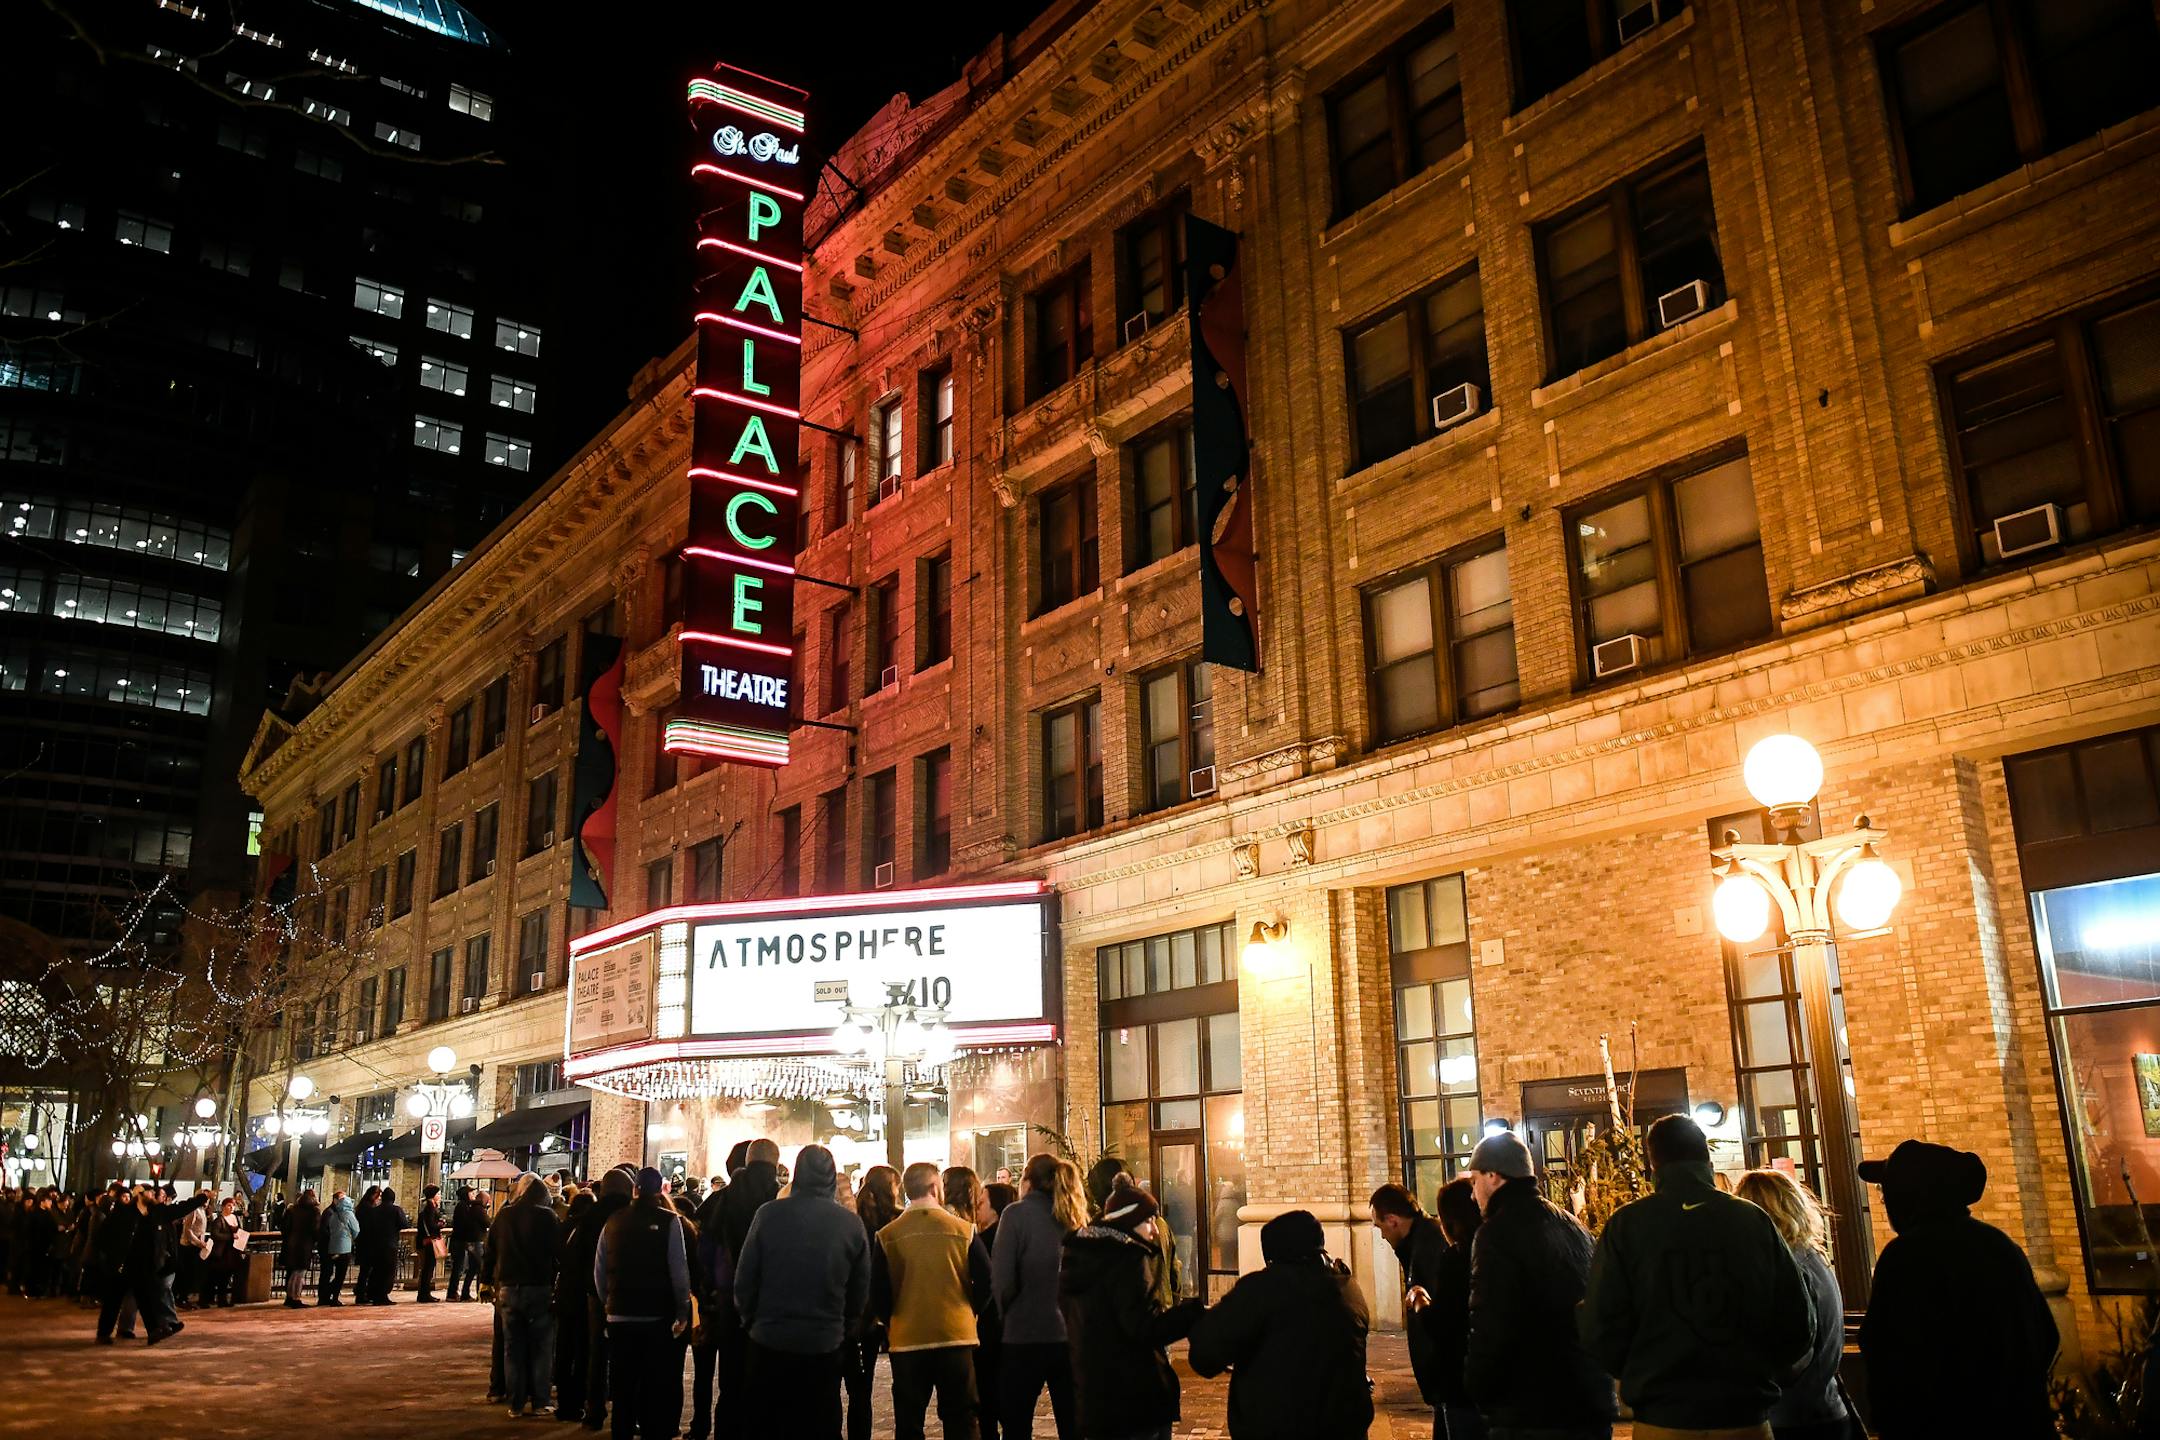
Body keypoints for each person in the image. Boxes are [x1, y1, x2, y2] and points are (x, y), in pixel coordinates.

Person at [1580, 1116, 1812, 1440]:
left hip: (1662, 1420)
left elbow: (1599, 1327)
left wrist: (1641, 1371)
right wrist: (1759, 1370)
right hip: (1744, 1418)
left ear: (1653, 1164)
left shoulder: (1627, 1226)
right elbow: (1798, 1321)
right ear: (1707, 1157)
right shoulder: (1753, 1221)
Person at [1856, 1139, 2058, 1440]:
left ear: (1911, 1196)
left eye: (1888, 1195)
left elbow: (1887, 1350)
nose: (1885, 1204)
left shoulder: (1906, 1256)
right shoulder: (2001, 1246)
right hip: (2021, 1423)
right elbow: (2047, 1336)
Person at [1459, 1130, 1614, 1440]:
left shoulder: (1496, 1233)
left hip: (1532, 1409)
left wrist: (1477, 1387)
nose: (1473, 1195)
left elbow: (1490, 1321)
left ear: (1493, 1176)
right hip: (1588, 1401)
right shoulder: (1572, 1224)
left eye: (1474, 1181)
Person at [1188, 1208, 1373, 1440]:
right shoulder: (1348, 1288)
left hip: (1279, 1426)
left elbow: (1205, 1354)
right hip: (1345, 1427)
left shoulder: (1261, 1290)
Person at [736, 1144, 871, 1436]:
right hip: (823, 1341)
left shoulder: (768, 1215)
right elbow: (860, 1289)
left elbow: (745, 1278)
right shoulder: (850, 1224)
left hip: (770, 1338)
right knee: (819, 1422)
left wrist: (751, 1321)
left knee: (767, 1423)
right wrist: (844, 1326)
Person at [1059, 1176, 1203, 1440]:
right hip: (1132, 1396)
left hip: (1096, 1396)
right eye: (1148, 1221)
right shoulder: (1127, 1259)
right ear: (1129, 1220)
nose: (1155, 1230)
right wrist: (1191, 1315)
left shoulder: (1080, 1256)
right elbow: (1143, 1327)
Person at [1731, 1170, 1852, 1440]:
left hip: (1791, 1420)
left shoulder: (1785, 1270)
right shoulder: (1812, 1258)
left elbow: (1792, 1357)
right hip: (1826, 1410)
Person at [876, 1162, 988, 1440]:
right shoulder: (964, 1230)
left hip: (907, 1337)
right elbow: (987, 1281)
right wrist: (972, 1310)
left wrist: (889, 1321)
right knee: (961, 1417)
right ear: (935, 1187)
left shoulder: (888, 1235)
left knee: (909, 1419)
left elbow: (877, 1289)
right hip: (956, 1335)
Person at [596, 1166, 693, 1440]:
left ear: (635, 1189)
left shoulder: (613, 1220)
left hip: (619, 1316)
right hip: (655, 1316)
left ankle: (622, 1433)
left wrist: (609, 1302)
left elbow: (599, 1269)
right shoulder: (670, 1221)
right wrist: (682, 1309)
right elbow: (678, 1270)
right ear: (660, 1189)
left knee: (623, 1389)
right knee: (653, 1386)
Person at [994, 1154, 1086, 1440]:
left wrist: (1005, 1315)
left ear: (1027, 1182)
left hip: (1024, 1333)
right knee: (1072, 1423)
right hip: (1068, 1335)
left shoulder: (1015, 1215)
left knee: (1017, 1422)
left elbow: (1002, 1280)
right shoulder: (1074, 1216)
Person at [1370, 1182, 1453, 1440]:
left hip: (1447, 1378)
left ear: (1393, 1220)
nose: (1382, 1235)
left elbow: (1442, 1316)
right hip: (1442, 1380)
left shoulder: (1427, 1246)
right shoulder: (1419, 1242)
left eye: (1379, 1226)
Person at [711, 1139, 780, 1435]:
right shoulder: (780, 1199)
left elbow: (705, 1246)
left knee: (731, 1378)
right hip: (770, 1303)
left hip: (729, 1300)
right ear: (775, 1164)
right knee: (767, 1379)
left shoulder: (722, 1199)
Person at [96, 1184, 207, 1345]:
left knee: (146, 1299)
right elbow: (104, 1236)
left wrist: (200, 1199)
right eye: (149, 1192)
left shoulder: (157, 1212)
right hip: (122, 1264)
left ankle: (154, 1331)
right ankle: (104, 1333)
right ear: (139, 1195)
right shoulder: (123, 1213)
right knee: (113, 1300)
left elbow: (179, 1209)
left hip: (143, 1264)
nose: (153, 1194)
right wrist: (112, 1259)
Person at [577, 1166, 643, 1429]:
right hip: (628, 1294)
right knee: (629, 1357)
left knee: (596, 1353)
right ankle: (629, 1414)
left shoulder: (590, 1216)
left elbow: (580, 1257)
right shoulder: (632, 1215)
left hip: (595, 1294)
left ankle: (594, 1411)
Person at [493, 1171, 564, 1419]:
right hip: (539, 1287)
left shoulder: (504, 1215)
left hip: (509, 1287)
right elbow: (559, 1252)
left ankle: (515, 1403)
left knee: (512, 1348)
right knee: (541, 1347)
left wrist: (486, 1281)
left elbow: (491, 1249)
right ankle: (540, 1400)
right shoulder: (548, 1216)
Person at [846, 1165, 904, 1440]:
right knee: (904, 1383)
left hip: (858, 1309)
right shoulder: (897, 1220)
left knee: (860, 1385)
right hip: (892, 1307)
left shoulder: (854, 1218)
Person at [1427, 1178, 1486, 1440]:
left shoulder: (1456, 1258)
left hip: (1460, 1380)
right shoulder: (1490, 1249)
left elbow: (1442, 1323)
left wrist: (1420, 1303)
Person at [977, 1180, 1018, 1440]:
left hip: (990, 1330)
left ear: (995, 1209)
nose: (976, 1208)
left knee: (988, 1401)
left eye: (981, 1203)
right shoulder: (1015, 1240)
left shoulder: (982, 1243)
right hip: (1010, 1330)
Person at [555, 1189, 598, 1423]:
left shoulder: (562, 1227)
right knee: (582, 1351)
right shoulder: (591, 1228)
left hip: (565, 1294)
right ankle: (578, 1401)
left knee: (564, 1348)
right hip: (584, 1295)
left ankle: (564, 1402)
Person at [363, 1185, 407, 1303]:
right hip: (390, 1244)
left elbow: (369, 1227)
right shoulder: (396, 1210)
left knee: (377, 1270)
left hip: (376, 1245)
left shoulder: (374, 1210)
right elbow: (404, 1224)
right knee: (388, 1271)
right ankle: (382, 1295)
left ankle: (373, 1293)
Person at [280, 1187, 320, 1307]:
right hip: (304, 1245)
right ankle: (295, 1297)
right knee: (299, 1272)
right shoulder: (314, 1212)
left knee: (291, 1272)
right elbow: (315, 1229)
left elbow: (284, 1227)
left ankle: (289, 1297)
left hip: (290, 1244)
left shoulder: (292, 1210)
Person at [450, 1187, 491, 1301]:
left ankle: (464, 1293)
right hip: (473, 1240)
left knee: (472, 1268)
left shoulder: (471, 1207)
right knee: (480, 1267)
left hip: (469, 1240)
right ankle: (478, 1293)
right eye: (471, 1192)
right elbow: (487, 1222)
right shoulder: (475, 1208)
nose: (473, 1194)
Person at [204, 1196, 245, 1308]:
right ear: (223, 1207)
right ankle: (219, 1299)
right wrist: (230, 1236)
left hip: (233, 1251)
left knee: (228, 1276)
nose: (231, 1207)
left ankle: (227, 1298)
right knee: (220, 1276)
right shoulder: (219, 1220)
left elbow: (240, 1231)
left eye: (233, 1205)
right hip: (222, 1252)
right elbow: (215, 1234)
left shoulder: (236, 1218)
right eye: (229, 1205)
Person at [175, 1196, 208, 1310]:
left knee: (192, 1273)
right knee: (187, 1272)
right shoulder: (193, 1210)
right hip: (189, 1246)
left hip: (197, 1245)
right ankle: (182, 1298)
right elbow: (188, 1229)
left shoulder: (202, 1210)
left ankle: (185, 1297)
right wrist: (198, 1242)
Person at [415, 1183, 445, 1302]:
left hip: (426, 1241)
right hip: (429, 1241)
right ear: (433, 1196)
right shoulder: (429, 1207)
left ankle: (424, 1293)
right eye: (438, 1194)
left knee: (427, 1268)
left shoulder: (428, 1206)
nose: (440, 1196)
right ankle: (424, 1294)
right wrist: (440, 1224)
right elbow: (431, 1225)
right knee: (428, 1268)